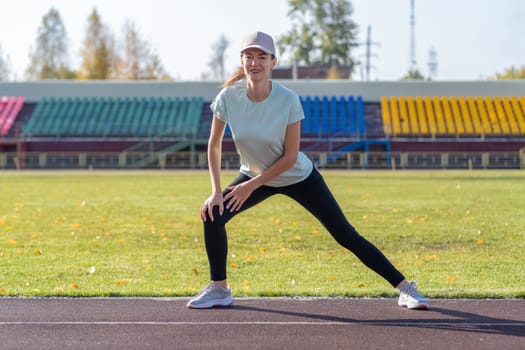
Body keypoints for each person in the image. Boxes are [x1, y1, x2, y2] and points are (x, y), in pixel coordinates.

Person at [187, 31, 429, 310]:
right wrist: (217, 192)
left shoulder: (288, 99)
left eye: (262, 57)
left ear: (273, 62)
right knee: (212, 214)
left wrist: (249, 186)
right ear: (241, 61)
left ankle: (405, 288)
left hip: (296, 175)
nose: (255, 63)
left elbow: (290, 157)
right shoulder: (228, 97)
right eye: (249, 57)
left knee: (345, 235)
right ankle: (220, 290)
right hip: (253, 175)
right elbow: (214, 145)